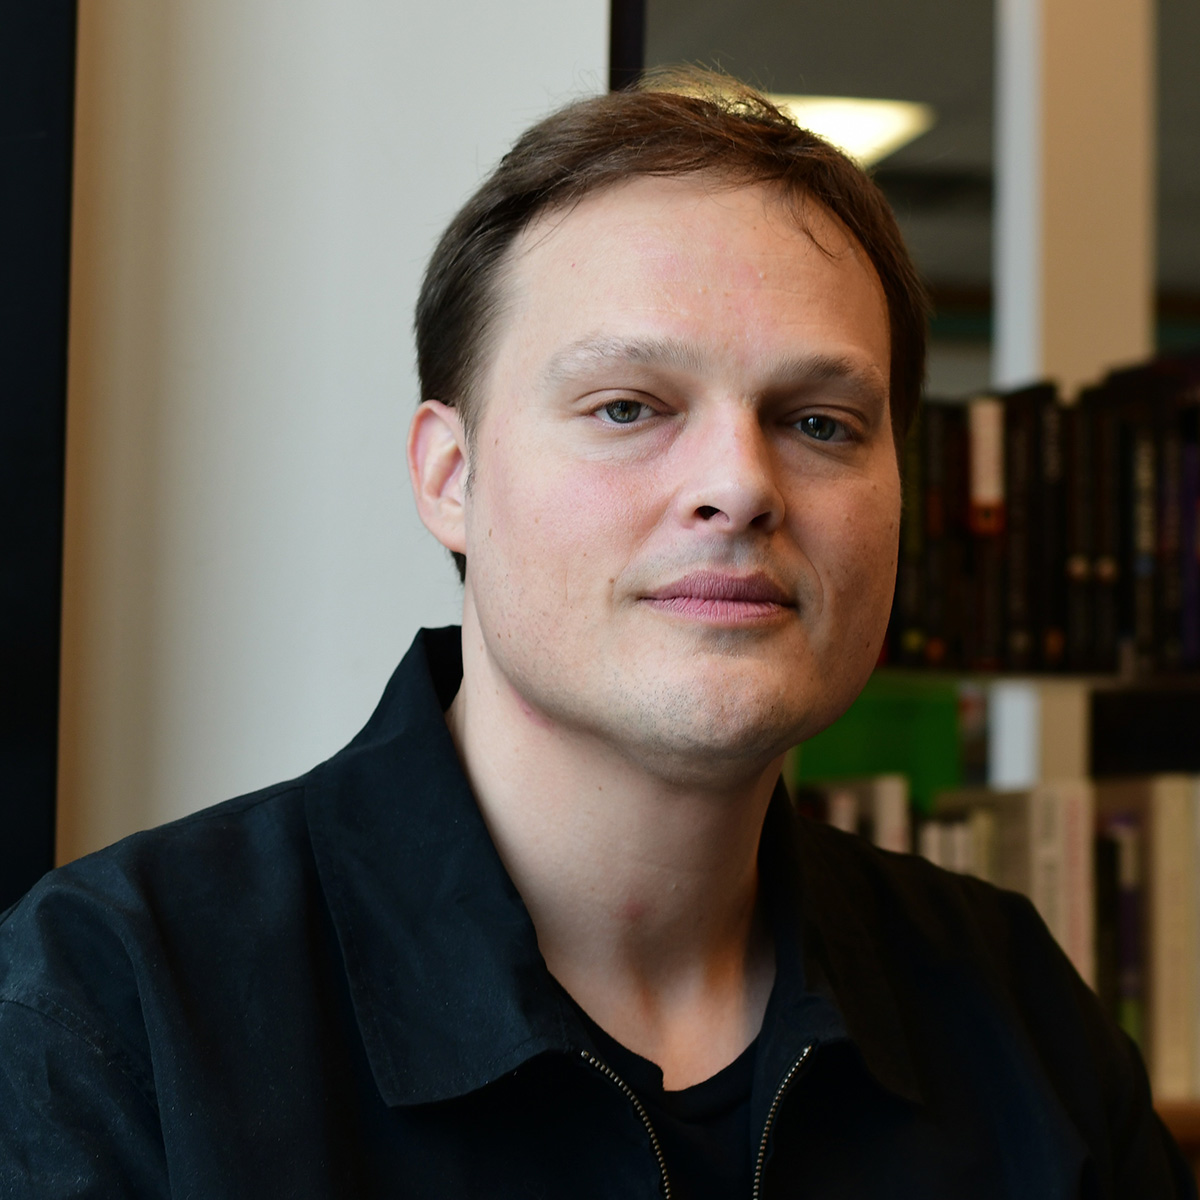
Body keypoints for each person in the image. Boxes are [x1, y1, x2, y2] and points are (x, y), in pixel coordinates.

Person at [0, 74, 1193, 1199]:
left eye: (820, 422)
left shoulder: (1014, 1006)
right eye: (629, 407)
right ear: (452, 477)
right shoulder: (117, 1002)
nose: (740, 483)